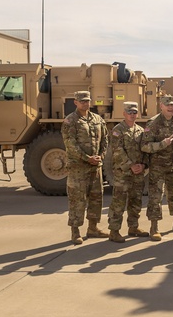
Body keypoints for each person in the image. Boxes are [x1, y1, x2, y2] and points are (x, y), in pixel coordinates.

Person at [61, 90, 109, 245]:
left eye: (87, 101)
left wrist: (101, 156)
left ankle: (93, 228)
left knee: (96, 198)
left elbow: (105, 140)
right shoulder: (70, 121)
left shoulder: (98, 119)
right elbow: (70, 144)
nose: (85, 103)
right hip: (78, 168)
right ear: (75, 102)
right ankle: (75, 231)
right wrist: (87, 158)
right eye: (82, 101)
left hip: (95, 167)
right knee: (77, 200)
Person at [140, 95, 173, 241]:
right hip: (158, 166)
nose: (171, 108)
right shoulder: (153, 123)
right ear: (161, 106)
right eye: (168, 105)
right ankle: (154, 227)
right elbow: (144, 146)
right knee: (156, 197)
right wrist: (162, 144)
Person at [107, 102, 150, 243]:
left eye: (134, 112)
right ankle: (114, 231)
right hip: (123, 173)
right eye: (129, 112)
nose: (132, 115)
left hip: (138, 173)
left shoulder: (140, 130)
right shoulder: (118, 130)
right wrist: (131, 165)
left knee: (135, 201)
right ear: (124, 114)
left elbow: (144, 150)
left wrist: (143, 165)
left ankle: (133, 227)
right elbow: (117, 151)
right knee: (118, 202)